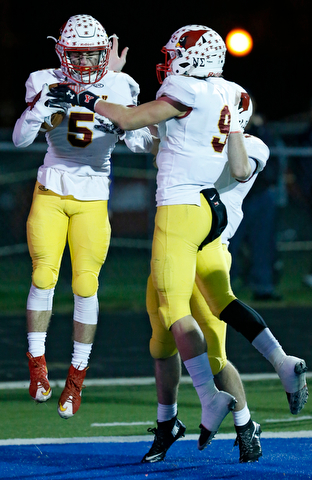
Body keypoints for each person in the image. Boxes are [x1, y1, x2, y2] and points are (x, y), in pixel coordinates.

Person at [48, 24, 308, 451]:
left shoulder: (186, 91)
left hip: (185, 214)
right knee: (195, 314)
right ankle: (272, 367)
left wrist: (89, 97)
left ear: (191, 60)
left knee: (182, 315)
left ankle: (215, 403)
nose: (168, 63)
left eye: (174, 55)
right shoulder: (227, 102)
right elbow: (177, 145)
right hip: (212, 221)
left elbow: (138, 121)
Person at [12, 14, 155, 419]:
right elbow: (20, 138)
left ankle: (76, 377)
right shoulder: (43, 79)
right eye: (78, 53)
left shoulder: (120, 85)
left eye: (94, 52)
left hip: (93, 192)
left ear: (105, 49)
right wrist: (41, 106)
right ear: (62, 52)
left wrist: (128, 125)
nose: (87, 60)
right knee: (43, 275)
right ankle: (37, 365)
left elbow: (143, 142)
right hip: (51, 187)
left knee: (86, 284)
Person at [142, 92, 266, 464]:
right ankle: (167, 424)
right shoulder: (194, 138)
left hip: (209, 249)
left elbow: (237, 168)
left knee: (214, 352)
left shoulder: (250, 146)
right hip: (173, 246)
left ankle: (245, 425)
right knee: (162, 343)